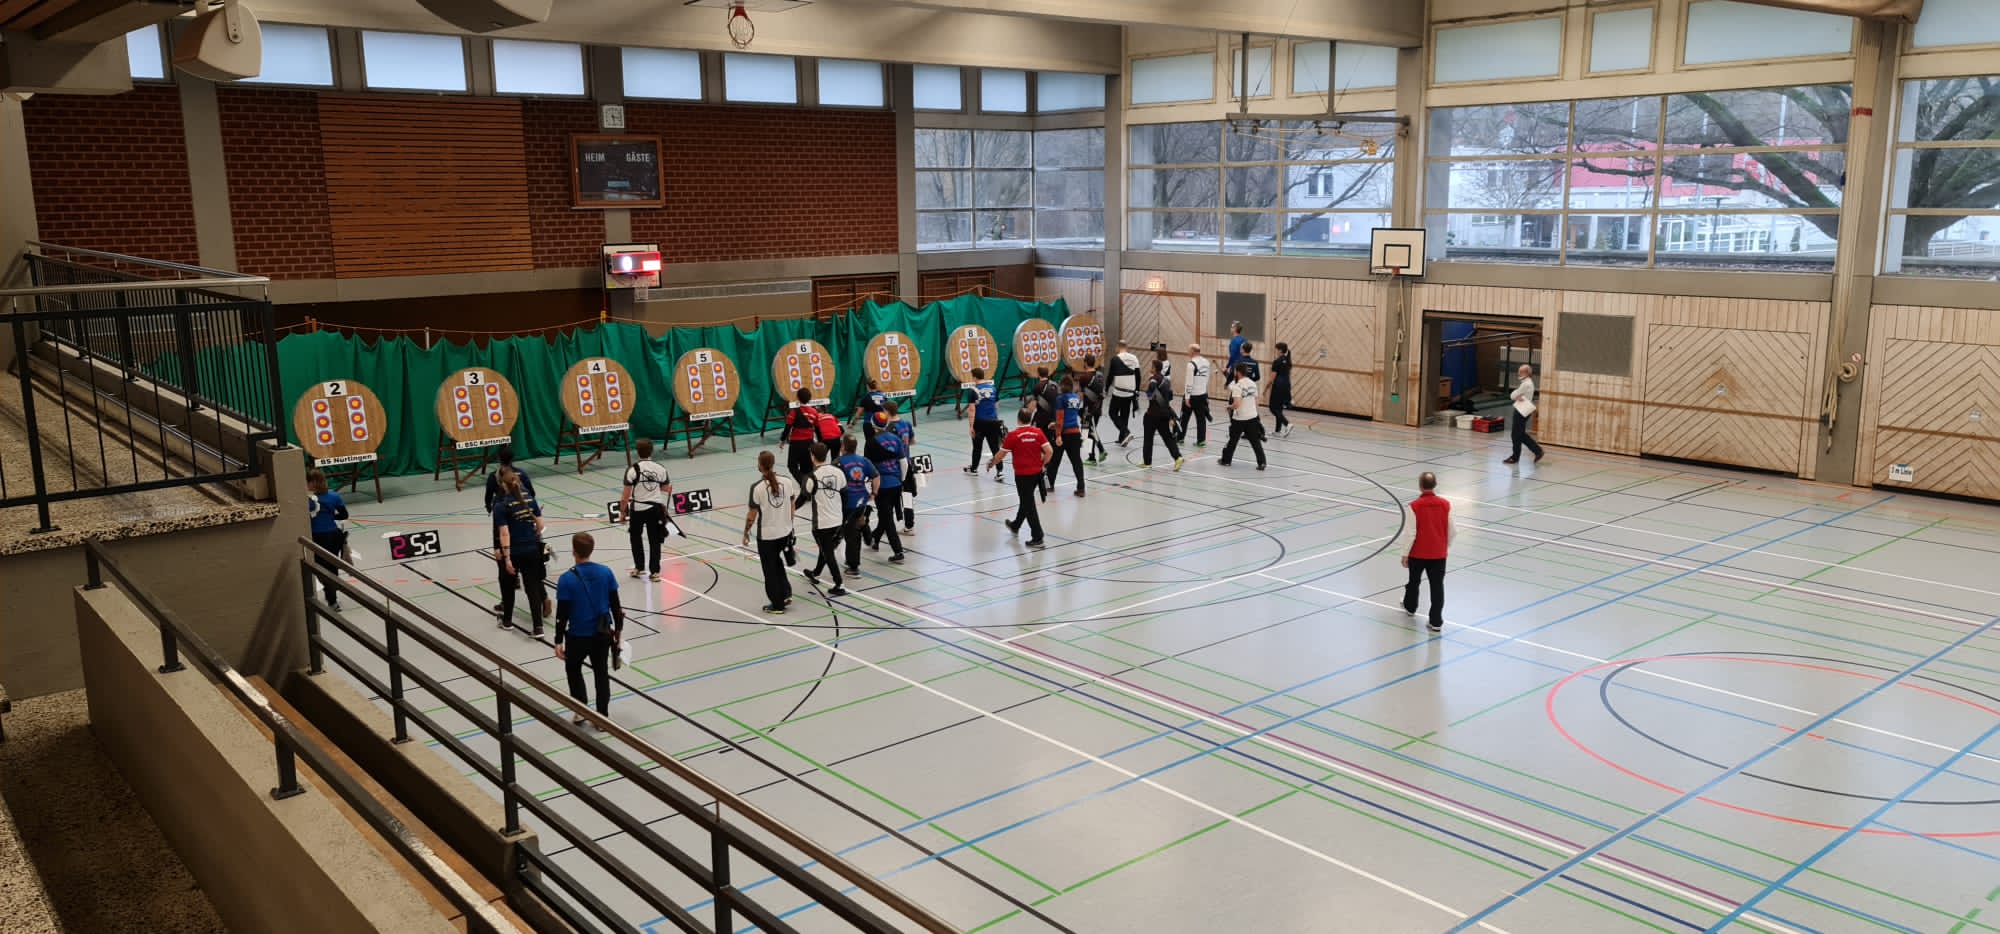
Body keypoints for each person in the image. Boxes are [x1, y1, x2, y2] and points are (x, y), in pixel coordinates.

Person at [554, 532, 624, 727]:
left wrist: (558, 640)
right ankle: (602, 717)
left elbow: (562, 614)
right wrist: (618, 632)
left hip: (578, 636)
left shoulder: (566, 579)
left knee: (573, 668)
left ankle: (580, 710)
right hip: (602, 634)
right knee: (601, 673)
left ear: (574, 551)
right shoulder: (606, 572)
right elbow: (616, 607)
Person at [741, 451, 800, 614]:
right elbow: (792, 505)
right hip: (785, 533)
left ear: (760, 465)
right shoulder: (787, 481)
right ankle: (785, 594)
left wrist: (746, 532)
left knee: (770, 570)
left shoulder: (757, 488)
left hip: (767, 537)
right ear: (773, 464)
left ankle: (777, 604)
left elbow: (752, 515)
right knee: (777, 563)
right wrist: (790, 524)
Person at [492, 467, 548, 636]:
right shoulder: (530, 499)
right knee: (532, 588)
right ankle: (538, 627)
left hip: (515, 552)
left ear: (504, 485)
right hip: (531, 550)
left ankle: (507, 621)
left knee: (508, 587)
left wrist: (507, 558)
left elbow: (504, 534)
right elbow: (541, 525)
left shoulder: (501, 506)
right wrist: (531, 535)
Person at [990, 407, 1052, 548]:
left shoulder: (1013, 435)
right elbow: (1049, 451)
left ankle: (1038, 537)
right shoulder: (1038, 432)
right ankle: (1016, 525)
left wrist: (991, 463)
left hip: (1023, 476)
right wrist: (1042, 464)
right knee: (1026, 501)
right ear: (1030, 419)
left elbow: (1001, 455)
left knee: (1028, 504)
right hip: (1036, 474)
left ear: (1018, 419)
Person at [1401, 472, 1455, 633]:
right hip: (1438, 555)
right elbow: (1452, 530)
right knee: (1437, 586)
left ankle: (1410, 607)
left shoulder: (1414, 506)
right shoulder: (1445, 504)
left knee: (1414, 581)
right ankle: (1436, 621)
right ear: (1435, 485)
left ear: (1420, 485)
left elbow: (1410, 533)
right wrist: (1444, 546)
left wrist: (1405, 554)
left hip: (1417, 554)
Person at [484, 448, 535, 614]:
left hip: (503, 523)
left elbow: (488, 499)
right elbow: (532, 494)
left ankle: (506, 605)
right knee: (530, 570)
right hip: (523, 523)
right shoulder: (522, 474)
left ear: (499, 459)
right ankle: (542, 599)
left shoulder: (494, 477)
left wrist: (490, 508)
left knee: (504, 570)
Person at [796, 442, 850, 597]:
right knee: (826, 548)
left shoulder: (811, 477)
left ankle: (839, 584)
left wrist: (790, 510)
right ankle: (816, 572)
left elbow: (802, 499)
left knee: (827, 552)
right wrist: (844, 518)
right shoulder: (839, 472)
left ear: (812, 457)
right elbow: (845, 496)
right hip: (838, 520)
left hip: (822, 523)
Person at [620, 438, 671, 581]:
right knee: (655, 540)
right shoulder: (660, 468)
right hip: (655, 509)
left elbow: (625, 496)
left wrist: (622, 512)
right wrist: (655, 485)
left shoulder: (632, 470)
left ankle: (639, 568)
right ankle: (655, 572)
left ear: (637, 452)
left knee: (635, 538)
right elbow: (666, 488)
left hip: (638, 510)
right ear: (651, 451)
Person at [864, 412, 908, 563]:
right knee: (885, 514)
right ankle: (875, 539)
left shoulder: (871, 442)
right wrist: (901, 480)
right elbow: (903, 463)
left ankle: (898, 551)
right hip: (896, 484)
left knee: (887, 519)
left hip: (881, 486)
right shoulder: (896, 439)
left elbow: (868, 467)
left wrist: (868, 487)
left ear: (873, 425)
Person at [834, 437, 879, 577]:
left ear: (843, 447)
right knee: (855, 526)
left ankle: (853, 566)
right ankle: (867, 536)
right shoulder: (864, 461)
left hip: (847, 503)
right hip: (861, 501)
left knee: (851, 534)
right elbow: (876, 476)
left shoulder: (838, 462)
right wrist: (874, 493)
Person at [306, 469, 349, 610]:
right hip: (334, 535)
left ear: (312, 483)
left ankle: (331, 598)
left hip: (318, 537)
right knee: (332, 566)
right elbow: (344, 515)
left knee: (321, 568)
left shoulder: (308, 500)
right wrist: (330, 516)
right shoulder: (334, 496)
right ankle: (332, 597)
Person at [1218, 363, 1268, 470]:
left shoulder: (1238, 386)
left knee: (1233, 440)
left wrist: (1229, 407)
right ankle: (1262, 463)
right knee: (1255, 441)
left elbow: (1237, 404)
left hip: (1240, 418)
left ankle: (1226, 461)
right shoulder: (1252, 384)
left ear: (1237, 372)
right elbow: (1256, 401)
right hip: (1252, 417)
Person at [1043, 375, 1087, 497]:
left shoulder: (1060, 399)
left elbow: (1061, 417)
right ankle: (1081, 488)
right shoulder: (1076, 398)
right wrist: (1055, 424)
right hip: (1075, 433)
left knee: (1054, 461)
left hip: (1064, 434)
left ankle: (1049, 485)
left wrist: (1058, 435)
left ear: (1062, 386)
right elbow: (1071, 415)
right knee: (1076, 461)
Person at [964, 366, 1006, 481]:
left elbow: (972, 409)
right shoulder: (993, 388)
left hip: (979, 423)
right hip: (993, 422)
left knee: (977, 447)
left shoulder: (973, 390)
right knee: (995, 448)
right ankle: (1000, 472)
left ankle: (974, 469)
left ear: (974, 377)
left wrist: (971, 426)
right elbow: (996, 405)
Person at [1141, 359, 1184, 471]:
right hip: (1164, 414)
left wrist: (1149, 393)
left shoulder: (1153, 379)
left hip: (1152, 415)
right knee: (1168, 438)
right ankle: (1178, 457)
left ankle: (1147, 462)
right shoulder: (1166, 380)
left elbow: (1150, 392)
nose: (1150, 368)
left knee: (1148, 439)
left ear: (1154, 368)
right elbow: (1169, 396)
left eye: (1151, 366)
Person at [1505, 363, 1545, 465]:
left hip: (1521, 411)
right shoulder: (1527, 382)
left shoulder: (1526, 384)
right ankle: (1535, 451)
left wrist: (1516, 395)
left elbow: (1512, 395)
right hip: (1522, 410)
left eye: (1521, 371)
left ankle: (1533, 452)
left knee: (1516, 434)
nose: (1518, 373)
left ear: (1526, 373)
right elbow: (1515, 395)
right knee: (1519, 434)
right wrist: (1517, 395)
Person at [889, 402, 918, 535]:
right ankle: (909, 526)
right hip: (907, 463)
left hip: (894, 467)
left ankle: (887, 526)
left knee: (889, 497)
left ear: (887, 412)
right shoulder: (906, 423)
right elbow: (912, 441)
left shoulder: (889, 428)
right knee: (907, 496)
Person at [1179, 342, 1213, 447]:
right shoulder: (1206, 362)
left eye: (1189, 350)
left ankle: (1180, 438)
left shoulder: (1191, 364)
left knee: (1184, 418)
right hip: (1202, 394)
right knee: (1201, 418)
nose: (1188, 352)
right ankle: (1201, 440)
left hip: (1192, 395)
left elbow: (1189, 382)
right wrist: (1205, 393)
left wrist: (1187, 397)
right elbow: (1207, 379)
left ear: (1193, 351)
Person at [1107, 340, 1140, 445]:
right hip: (1130, 393)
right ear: (1127, 347)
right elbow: (1138, 376)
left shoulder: (1115, 359)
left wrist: (1106, 389)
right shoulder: (1134, 358)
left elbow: (1110, 376)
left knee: (1112, 413)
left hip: (1118, 392)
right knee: (1124, 415)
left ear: (1118, 347)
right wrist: (1137, 391)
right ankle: (1122, 439)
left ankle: (1126, 432)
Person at [1078, 354, 1108, 465]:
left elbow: (1081, 395)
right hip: (1098, 409)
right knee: (1087, 432)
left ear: (1085, 363)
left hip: (1088, 410)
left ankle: (1101, 450)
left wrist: (1077, 406)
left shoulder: (1084, 377)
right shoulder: (1100, 375)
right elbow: (1102, 393)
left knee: (1090, 431)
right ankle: (1091, 457)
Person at [785, 387, 819, 485]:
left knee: (792, 466)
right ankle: (808, 486)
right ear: (810, 398)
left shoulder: (793, 412)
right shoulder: (814, 412)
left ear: (798, 398)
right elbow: (817, 429)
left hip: (796, 444)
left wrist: (782, 440)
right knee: (807, 467)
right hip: (809, 443)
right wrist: (820, 442)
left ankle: (805, 484)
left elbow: (788, 427)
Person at [1269, 342, 1294, 437]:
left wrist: (1266, 389)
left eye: (1276, 349)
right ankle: (1277, 431)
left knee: (1273, 408)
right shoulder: (1288, 360)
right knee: (1279, 408)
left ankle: (1287, 424)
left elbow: (1272, 378)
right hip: (1286, 386)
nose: (1275, 351)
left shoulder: (1277, 361)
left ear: (1280, 350)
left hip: (1278, 387)